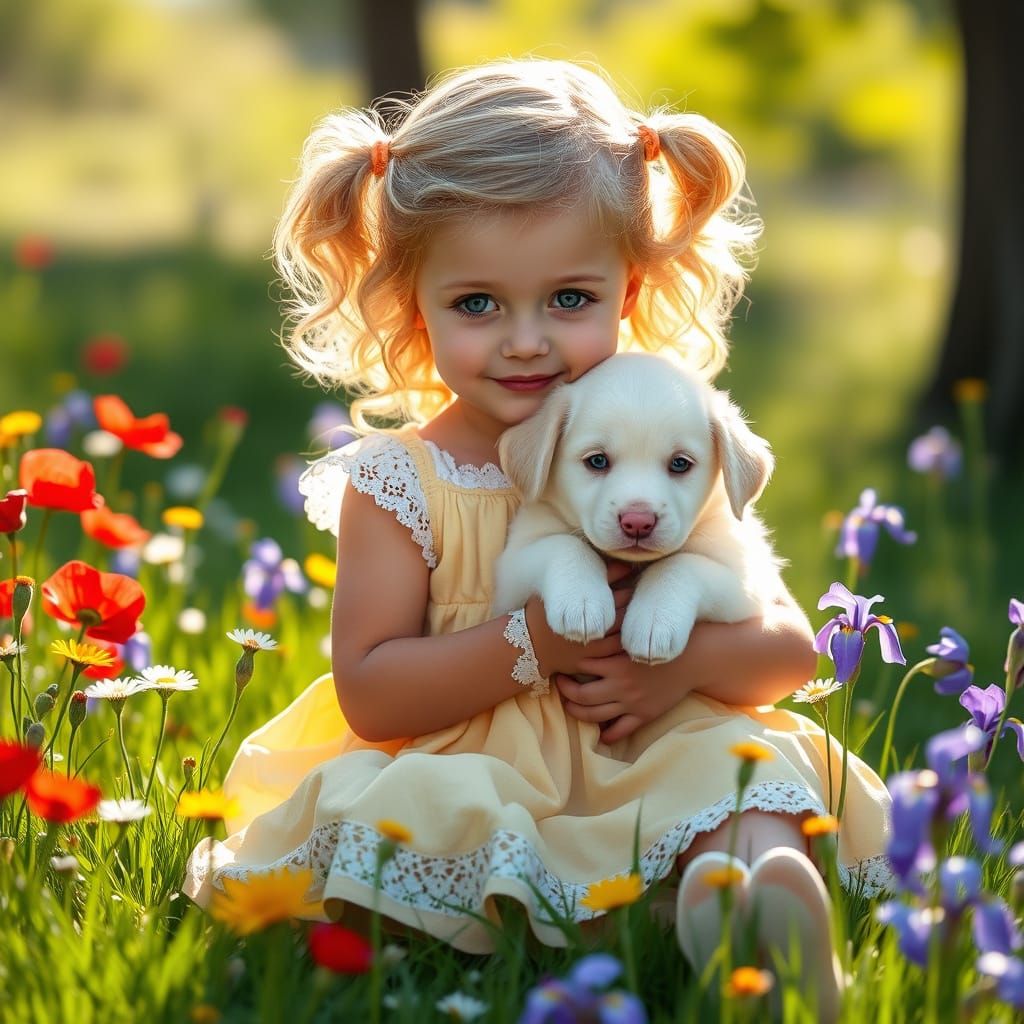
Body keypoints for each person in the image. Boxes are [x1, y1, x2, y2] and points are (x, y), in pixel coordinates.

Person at [184, 57, 891, 1016]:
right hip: (468, 760)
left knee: (747, 782)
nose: (526, 340)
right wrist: (534, 647)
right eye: (478, 305)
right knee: (419, 832)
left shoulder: (660, 448)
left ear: (629, 291)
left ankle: (752, 907)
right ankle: (637, 924)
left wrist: (681, 671)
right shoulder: (404, 481)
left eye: (569, 299)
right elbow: (372, 690)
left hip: (650, 740)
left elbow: (788, 654)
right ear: (411, 306)